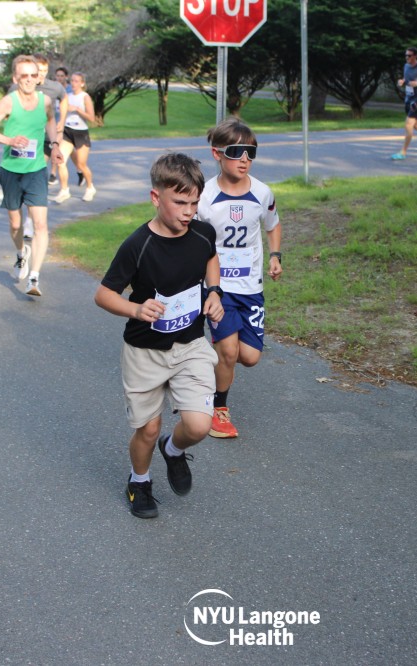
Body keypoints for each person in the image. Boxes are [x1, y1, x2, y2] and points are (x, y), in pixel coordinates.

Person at [94, 152, 225, 519]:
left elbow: (211, 257)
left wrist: (215, 292)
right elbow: (103, 294)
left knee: (199, 425)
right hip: (145, 351)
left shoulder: (202, 233)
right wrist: (136, 309)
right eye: (180, 203)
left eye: (194, 203)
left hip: (191, 345)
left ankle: (174, 450)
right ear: (156, 197)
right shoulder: (138, 245)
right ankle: (139, 482)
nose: (188, 212)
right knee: (148, 429)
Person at [197, 118, 281, 439]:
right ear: (217, 154)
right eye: (236, 152)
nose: (244, 159)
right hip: (217, 288)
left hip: (251, 287)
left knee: (249, 357)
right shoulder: (204, 196)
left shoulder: (262, 192)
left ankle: (215, 354)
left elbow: (273, 224)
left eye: (251, 152)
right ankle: (219, 409)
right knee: (230, 352)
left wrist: (275, 256)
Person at [0, 54, 65, 297]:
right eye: (24, 75)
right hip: (11, 170)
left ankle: (34, 278)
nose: (29, 79)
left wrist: (55, 145)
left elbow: (51, 121)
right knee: (16, 224)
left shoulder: (45, 101)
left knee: (40, 224)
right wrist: (9, 140)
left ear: (39, 78)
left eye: (33, 75)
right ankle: (21, 253)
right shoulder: (8, 102)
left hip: (36, 170)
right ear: (15, 78)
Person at [56, 72, 98, 202]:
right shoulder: (67, 96)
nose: (73, 83)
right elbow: (61, 112)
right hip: (68, 131)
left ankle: (90, 187)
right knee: (60, 161)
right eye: (72, 81)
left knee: (81, 164)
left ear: (82, 83)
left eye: (76, 81)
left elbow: (92, 118)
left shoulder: (85, 97)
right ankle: (64, 190)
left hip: (81, 133)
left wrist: (77, 110)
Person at [391, 47, 417, 160]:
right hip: (408, 99)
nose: (407, 57)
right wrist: (402, 81)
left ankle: (403, 152)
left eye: (409, 55)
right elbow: (406, 78)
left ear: (415, 56)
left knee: (408, 125)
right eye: (406, 55)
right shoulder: (406, 66)